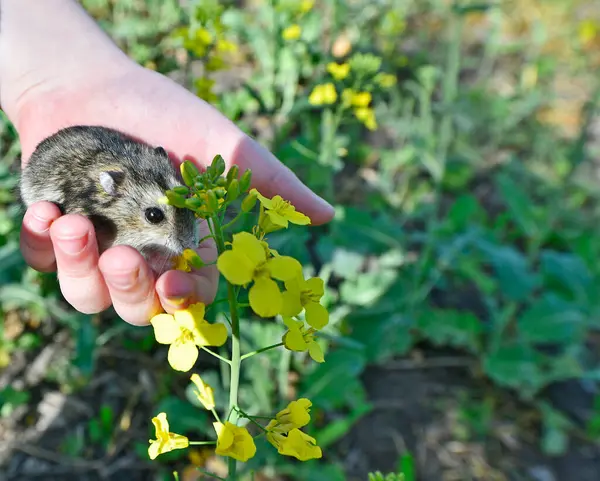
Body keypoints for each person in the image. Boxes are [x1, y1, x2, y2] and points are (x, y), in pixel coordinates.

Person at [0, 0, 334, 326]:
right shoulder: (100, 195)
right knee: (78, 237)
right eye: (155, 216)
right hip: (52, 170)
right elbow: (104, 228)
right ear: (109, 190)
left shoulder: (153, 167)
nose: (188, 240)